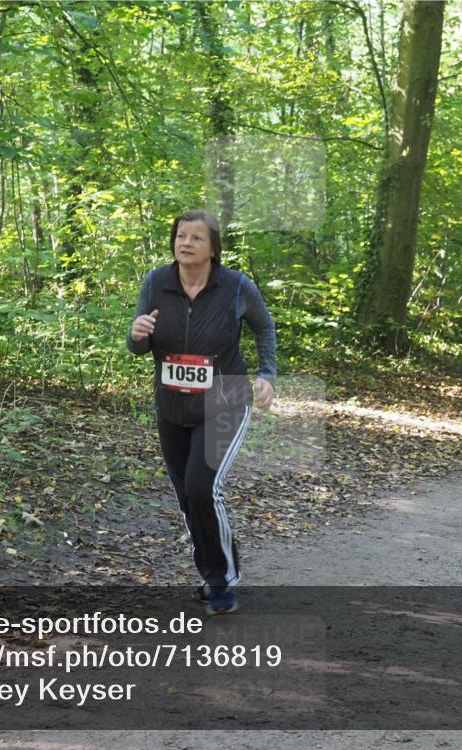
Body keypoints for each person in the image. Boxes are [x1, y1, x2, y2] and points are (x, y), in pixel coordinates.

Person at [127, 209, 276, 615]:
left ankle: (221, 580)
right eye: (180, 236)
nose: (185, 243)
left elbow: (264, 328)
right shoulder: (157, 282)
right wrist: (136, 335)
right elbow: (139, 344)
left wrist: (267, 374)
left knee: (202, 488)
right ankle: (209, 573)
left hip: (225, 402)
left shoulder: (236, 287)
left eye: (195, 237)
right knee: (186, 497)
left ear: (213, 248)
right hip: (172, 406)